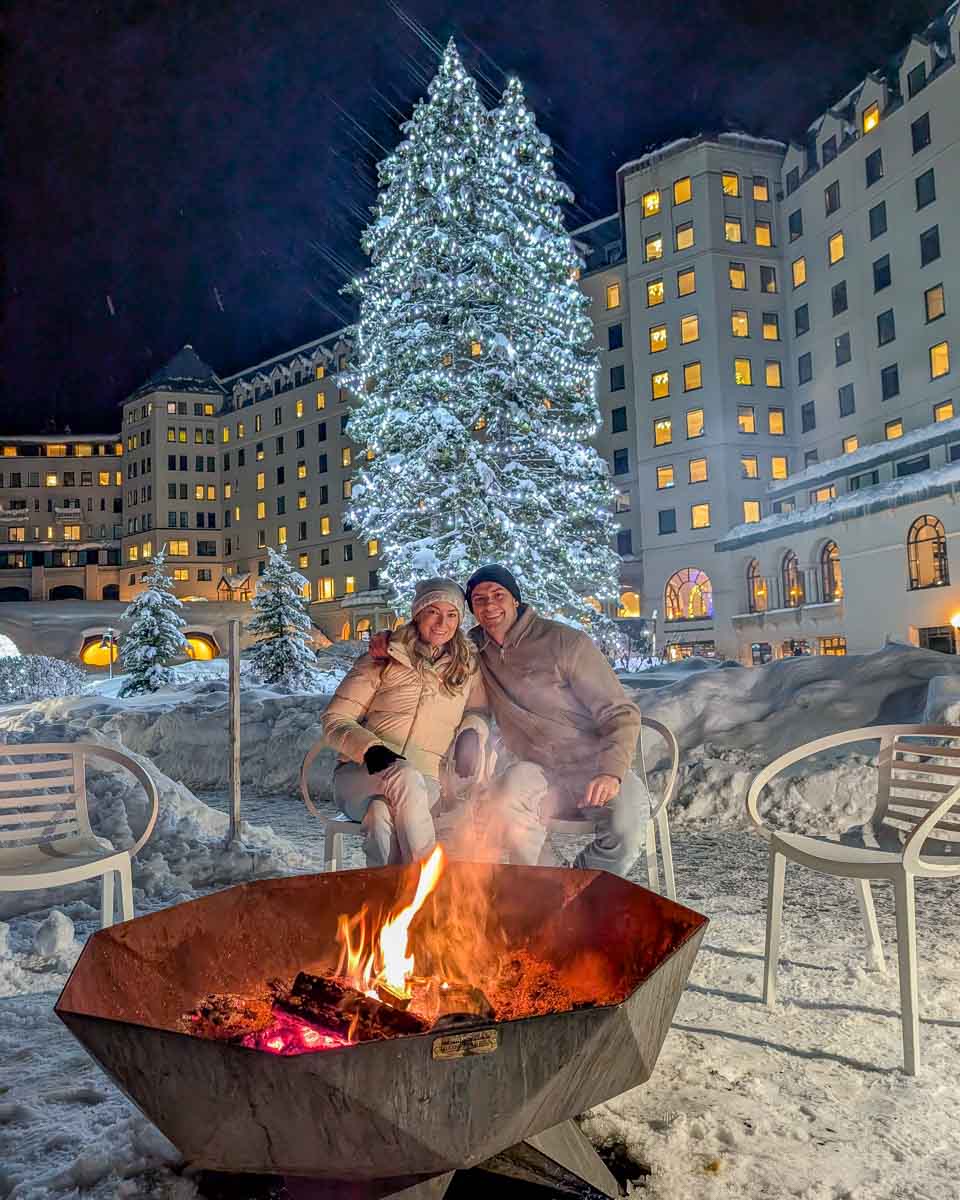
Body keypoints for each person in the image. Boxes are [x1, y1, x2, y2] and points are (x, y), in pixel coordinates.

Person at [372, 565, 649, 877]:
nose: (489, 605)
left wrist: (611, 772)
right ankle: (550, 888)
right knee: (502, 806)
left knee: (625, 828)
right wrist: (389, 640)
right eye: (479, 600)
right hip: (536, 768)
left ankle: (583, 888)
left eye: (498, 596)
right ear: (472, 610)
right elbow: (429, 636)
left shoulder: (565, 644)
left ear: (515, 600)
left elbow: (620, 713)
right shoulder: (473, 649)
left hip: (594, 764)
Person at [321, 577, 487, 866]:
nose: (441, 623)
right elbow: (334, 720)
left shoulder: (467, 667)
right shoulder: (383, 658)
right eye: (432, 612)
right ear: (417, 614)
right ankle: (427, 882)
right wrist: (371, 750)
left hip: (426, 784)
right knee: (403, 776)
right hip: (362, 775)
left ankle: (389, 901)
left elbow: (479, 712)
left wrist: (473, 731)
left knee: (381, 817)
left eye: (451, 615)